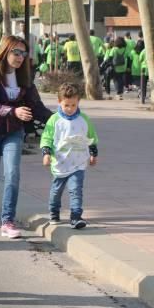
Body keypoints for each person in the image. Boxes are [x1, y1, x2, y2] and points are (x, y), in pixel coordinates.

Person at [0, 35, 52, 238]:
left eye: (23, 53)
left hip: (13, 132)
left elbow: (37, 106)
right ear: (5, 51)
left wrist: (60, 120)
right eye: (16, 52)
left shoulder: (25, 77)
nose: (20, 57)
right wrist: (13, 111)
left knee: (13, 174)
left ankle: (7, 221)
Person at [41, 83, 98, 230]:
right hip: (60, 162)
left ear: (78, 101)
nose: (70, 108)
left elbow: (91, 137)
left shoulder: (84, 119)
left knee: (76, 190)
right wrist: (46, 154)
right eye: (67, 105)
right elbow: (46, 138)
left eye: (74, 105)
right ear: (59, 102)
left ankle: (76, 217)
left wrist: (93, 154)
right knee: (56, 190)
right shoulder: (54, 120)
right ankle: (54, 212)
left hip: (78, 163)